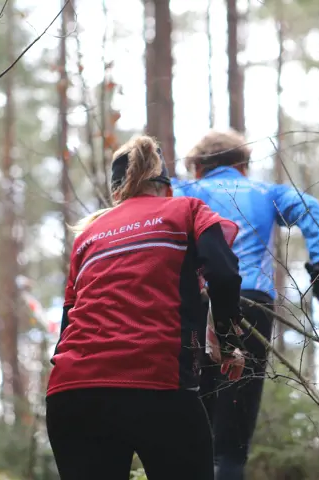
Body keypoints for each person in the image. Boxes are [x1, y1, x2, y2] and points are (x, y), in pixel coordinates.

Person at [46, 135, 247, 480]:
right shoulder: (187, 209)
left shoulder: (88, 236)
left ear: (116, 194)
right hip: (157, 386)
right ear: (167, 187)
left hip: (72, 393)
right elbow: (224, 273)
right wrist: (228, 341)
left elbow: (68, 324)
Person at [172, 129, 319, 480]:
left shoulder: (185, 190)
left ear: (198, 167)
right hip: (252, 305)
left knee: (192, 429)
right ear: (243, 165)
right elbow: (309, 206)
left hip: (196, 306)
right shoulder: (266, 192)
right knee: (232, 442)